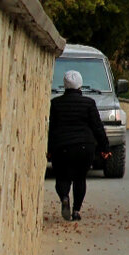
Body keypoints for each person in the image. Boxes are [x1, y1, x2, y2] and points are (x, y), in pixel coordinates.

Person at [47, 69, 109, 221]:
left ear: (65, 85)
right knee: (80, 178)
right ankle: (76, 211)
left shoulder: (55, 104)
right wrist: (104, 148)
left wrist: (49, 149)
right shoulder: (89, 103)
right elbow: (97, 127)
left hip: (62, 148)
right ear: (80, 85)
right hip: (84, 147)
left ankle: (64, 197)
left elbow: (52, 129)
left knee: (62, 177)